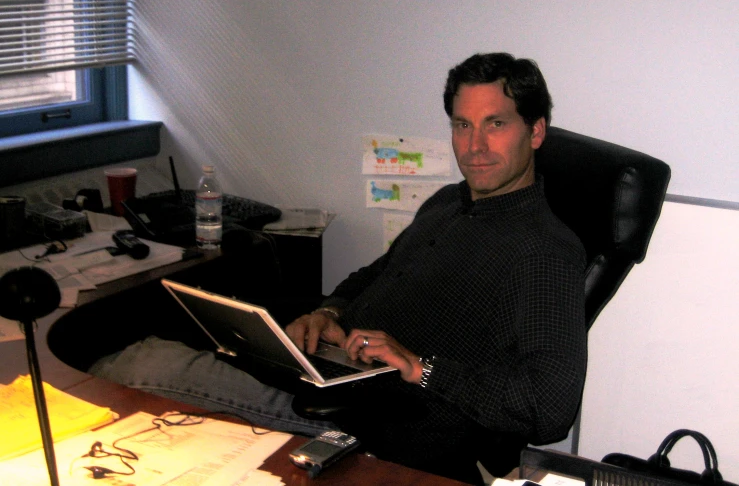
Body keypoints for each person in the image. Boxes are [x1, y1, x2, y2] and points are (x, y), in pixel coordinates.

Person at [89, 52, 587, 485]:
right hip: (329, 371)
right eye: (462, 124)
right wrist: (330, 312)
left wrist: (418, 366)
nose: (474, 145)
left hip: (378, 419)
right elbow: (371, 277)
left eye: (495, 124)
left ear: (536, 131)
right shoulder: (446, 203)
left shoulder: (545, 251)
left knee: (137, 364)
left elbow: (550, 408)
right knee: (176, 330)